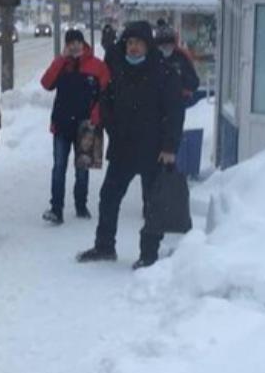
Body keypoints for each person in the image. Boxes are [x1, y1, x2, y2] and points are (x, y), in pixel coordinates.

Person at [79, 20, 186, 269]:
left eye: (138, 43)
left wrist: (170, 147)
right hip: (123, 147)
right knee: (109, 196)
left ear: (148, 45)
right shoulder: (117, 69)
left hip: (154, 150)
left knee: (153, 203)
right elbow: (106, 101)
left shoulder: (164, 72)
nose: (133, 48)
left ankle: (148, 254)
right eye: (129, 43)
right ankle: (105, 245)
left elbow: (174, 112)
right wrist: (111, 127)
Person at [39, 28, 109, 224]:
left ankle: (81, 205)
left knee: (82, 169)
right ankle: (56, 209)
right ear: (66, 46)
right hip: (61, 125)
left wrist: (97, 114)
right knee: (59, 167)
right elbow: (46, 83)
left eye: (77, 42)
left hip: (86, 126)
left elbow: (105, 93)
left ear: (83, 43)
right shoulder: (62, 65)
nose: (75, 46)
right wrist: (61, 60)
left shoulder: (97, 66)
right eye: (70, 43)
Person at [155, 23, 201, 108]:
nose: (165, 48)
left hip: (177, 104)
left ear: (173, 45)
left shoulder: (181, 57)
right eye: (162, 46)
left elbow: (194, 82)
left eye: (168, 45)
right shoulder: (152, 58)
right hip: (155, 106)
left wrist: (182, 85)